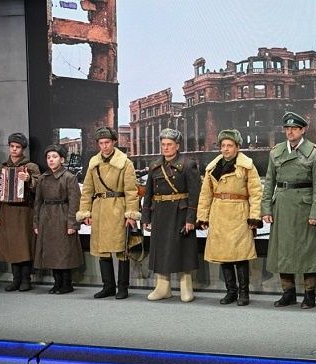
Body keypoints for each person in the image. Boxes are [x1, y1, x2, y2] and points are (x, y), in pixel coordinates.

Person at [261, 112, 316, 309]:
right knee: (283, 249)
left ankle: (309, 294)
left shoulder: (314, 153)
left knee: (308, 250)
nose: (290, 132)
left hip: (305, 207)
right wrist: (266, 208)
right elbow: (269, 182)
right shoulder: (276, 152)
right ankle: (288, 292)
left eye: (294, 128)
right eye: (287, 129)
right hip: (282, 206)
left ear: (303, 130)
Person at [197, 129, 262, 306]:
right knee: (223, 254)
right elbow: (205, 194)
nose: (225, 149)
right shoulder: (212, 167)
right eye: (223, 145)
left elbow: (256, 193)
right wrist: (202, 216)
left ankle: (244, 293)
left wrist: (254, 216)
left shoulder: (247, 166)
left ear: (237, 147)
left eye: (230, 145)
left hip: (239, 213)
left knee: (240, 254)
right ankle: (230, 291)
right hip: (219, 214)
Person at [77, 126, 140, 299]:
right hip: (99, 209)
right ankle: (108, 286)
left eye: (107, 142)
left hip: (118, 208)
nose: (104, 146)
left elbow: (131, 191)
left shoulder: (125, 163)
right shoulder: (94, 163)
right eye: (101, 143)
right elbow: (87, 190)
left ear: (114, 142)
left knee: (122, 249)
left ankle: (123, 287)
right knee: (102, 249)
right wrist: (85, 212)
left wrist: (131, 214)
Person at [142, 128, 201, 302]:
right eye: (163, 144)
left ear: (177, 146)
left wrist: (191, 218)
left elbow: (195, 194)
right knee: (160, 250)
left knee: (183, 250)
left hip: (180, 213)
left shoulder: (188, 165)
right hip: (159, 212)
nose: (166, 148)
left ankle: (186, 288)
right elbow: (148, 193)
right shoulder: (154, 165)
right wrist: (146, 217)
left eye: (169, 144)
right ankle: (162, 288)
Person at [0, 133, 40, 291]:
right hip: (7, 211)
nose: (14, 149)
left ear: (23, 149)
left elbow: (40, 187)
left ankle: (26, 279)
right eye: (12, 146)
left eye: (18, 147)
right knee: (11, 246)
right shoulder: (2, 168)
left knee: (24, 245)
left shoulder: (31, 167)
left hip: (25, 211)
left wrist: (29, 180)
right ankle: (15, 279)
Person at [34, 145, 83, 294]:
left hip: (63, 216)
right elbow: (37, 201)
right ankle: (57, 283)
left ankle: (67, 283)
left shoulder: (69, 177)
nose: (51, 160)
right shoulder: (42, 178)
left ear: (61, 159)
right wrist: (36, 222)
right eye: (48, 157)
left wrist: (72, 223)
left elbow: (74, 202)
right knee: (51, 251)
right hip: (47, 217)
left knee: (64, 250)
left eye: (54, 157)